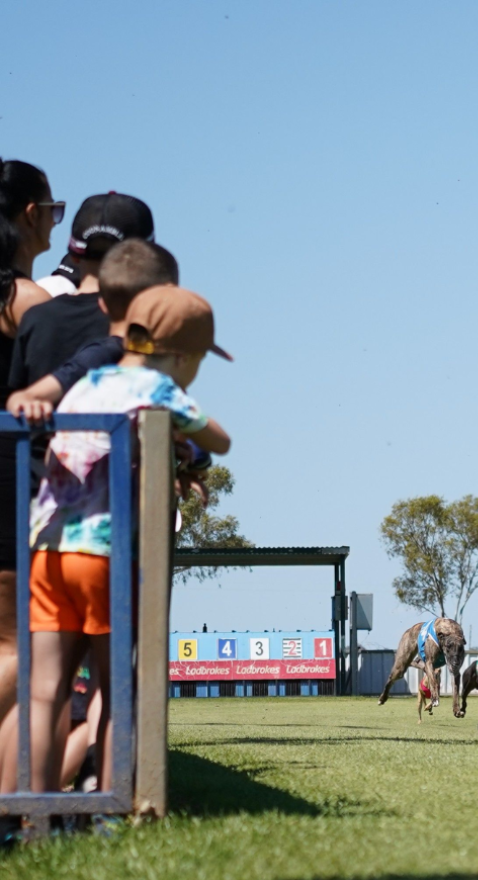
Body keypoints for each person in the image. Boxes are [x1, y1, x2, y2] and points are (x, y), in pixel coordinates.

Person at [20, 284, 231, 794]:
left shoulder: (89, 381)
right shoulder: (158, 389)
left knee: (45, 692)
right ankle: (111, 806)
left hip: (48, 548)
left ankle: (28, 811)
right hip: (104, 556)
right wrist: (185, 433)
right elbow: (220, 440)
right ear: (181, 357)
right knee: (116, 689)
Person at [0, 158, 59, 751]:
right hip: (9, 486)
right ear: (31, 215)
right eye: (53, 211)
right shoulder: (27, 300)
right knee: (19, 649)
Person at [7, 240, 179, 423]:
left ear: (102, 304)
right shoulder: (107, 353)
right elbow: (25, 396)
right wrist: (28, 399)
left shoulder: (102, 354)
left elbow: (24, 395)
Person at [8, 192, 155, 395]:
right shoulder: (144, 321)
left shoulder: (36, 318)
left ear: (74, 256)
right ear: (145, 259)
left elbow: (15, 400)